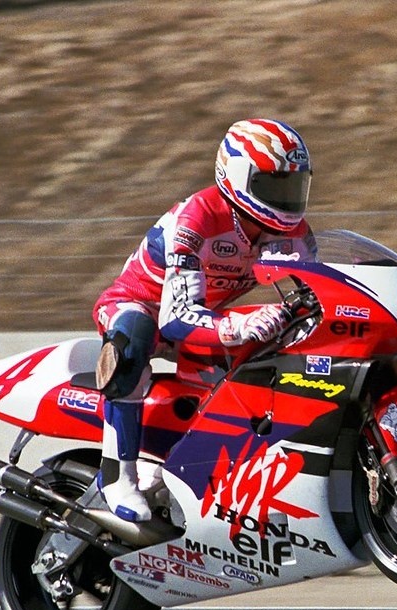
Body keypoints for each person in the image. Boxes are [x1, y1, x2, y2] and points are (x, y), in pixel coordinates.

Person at [92, 119, 318, 522]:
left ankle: (203, 477)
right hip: (143, 306)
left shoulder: (296, 233)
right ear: (236, 177)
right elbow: (176, 316)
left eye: (293, 187)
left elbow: (314, 293)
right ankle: (117, 478)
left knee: (268, 353)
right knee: (134, 336)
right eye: (273, 187)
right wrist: (236, 327)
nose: (285, 200)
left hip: (205, 315)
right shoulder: (197, 217)